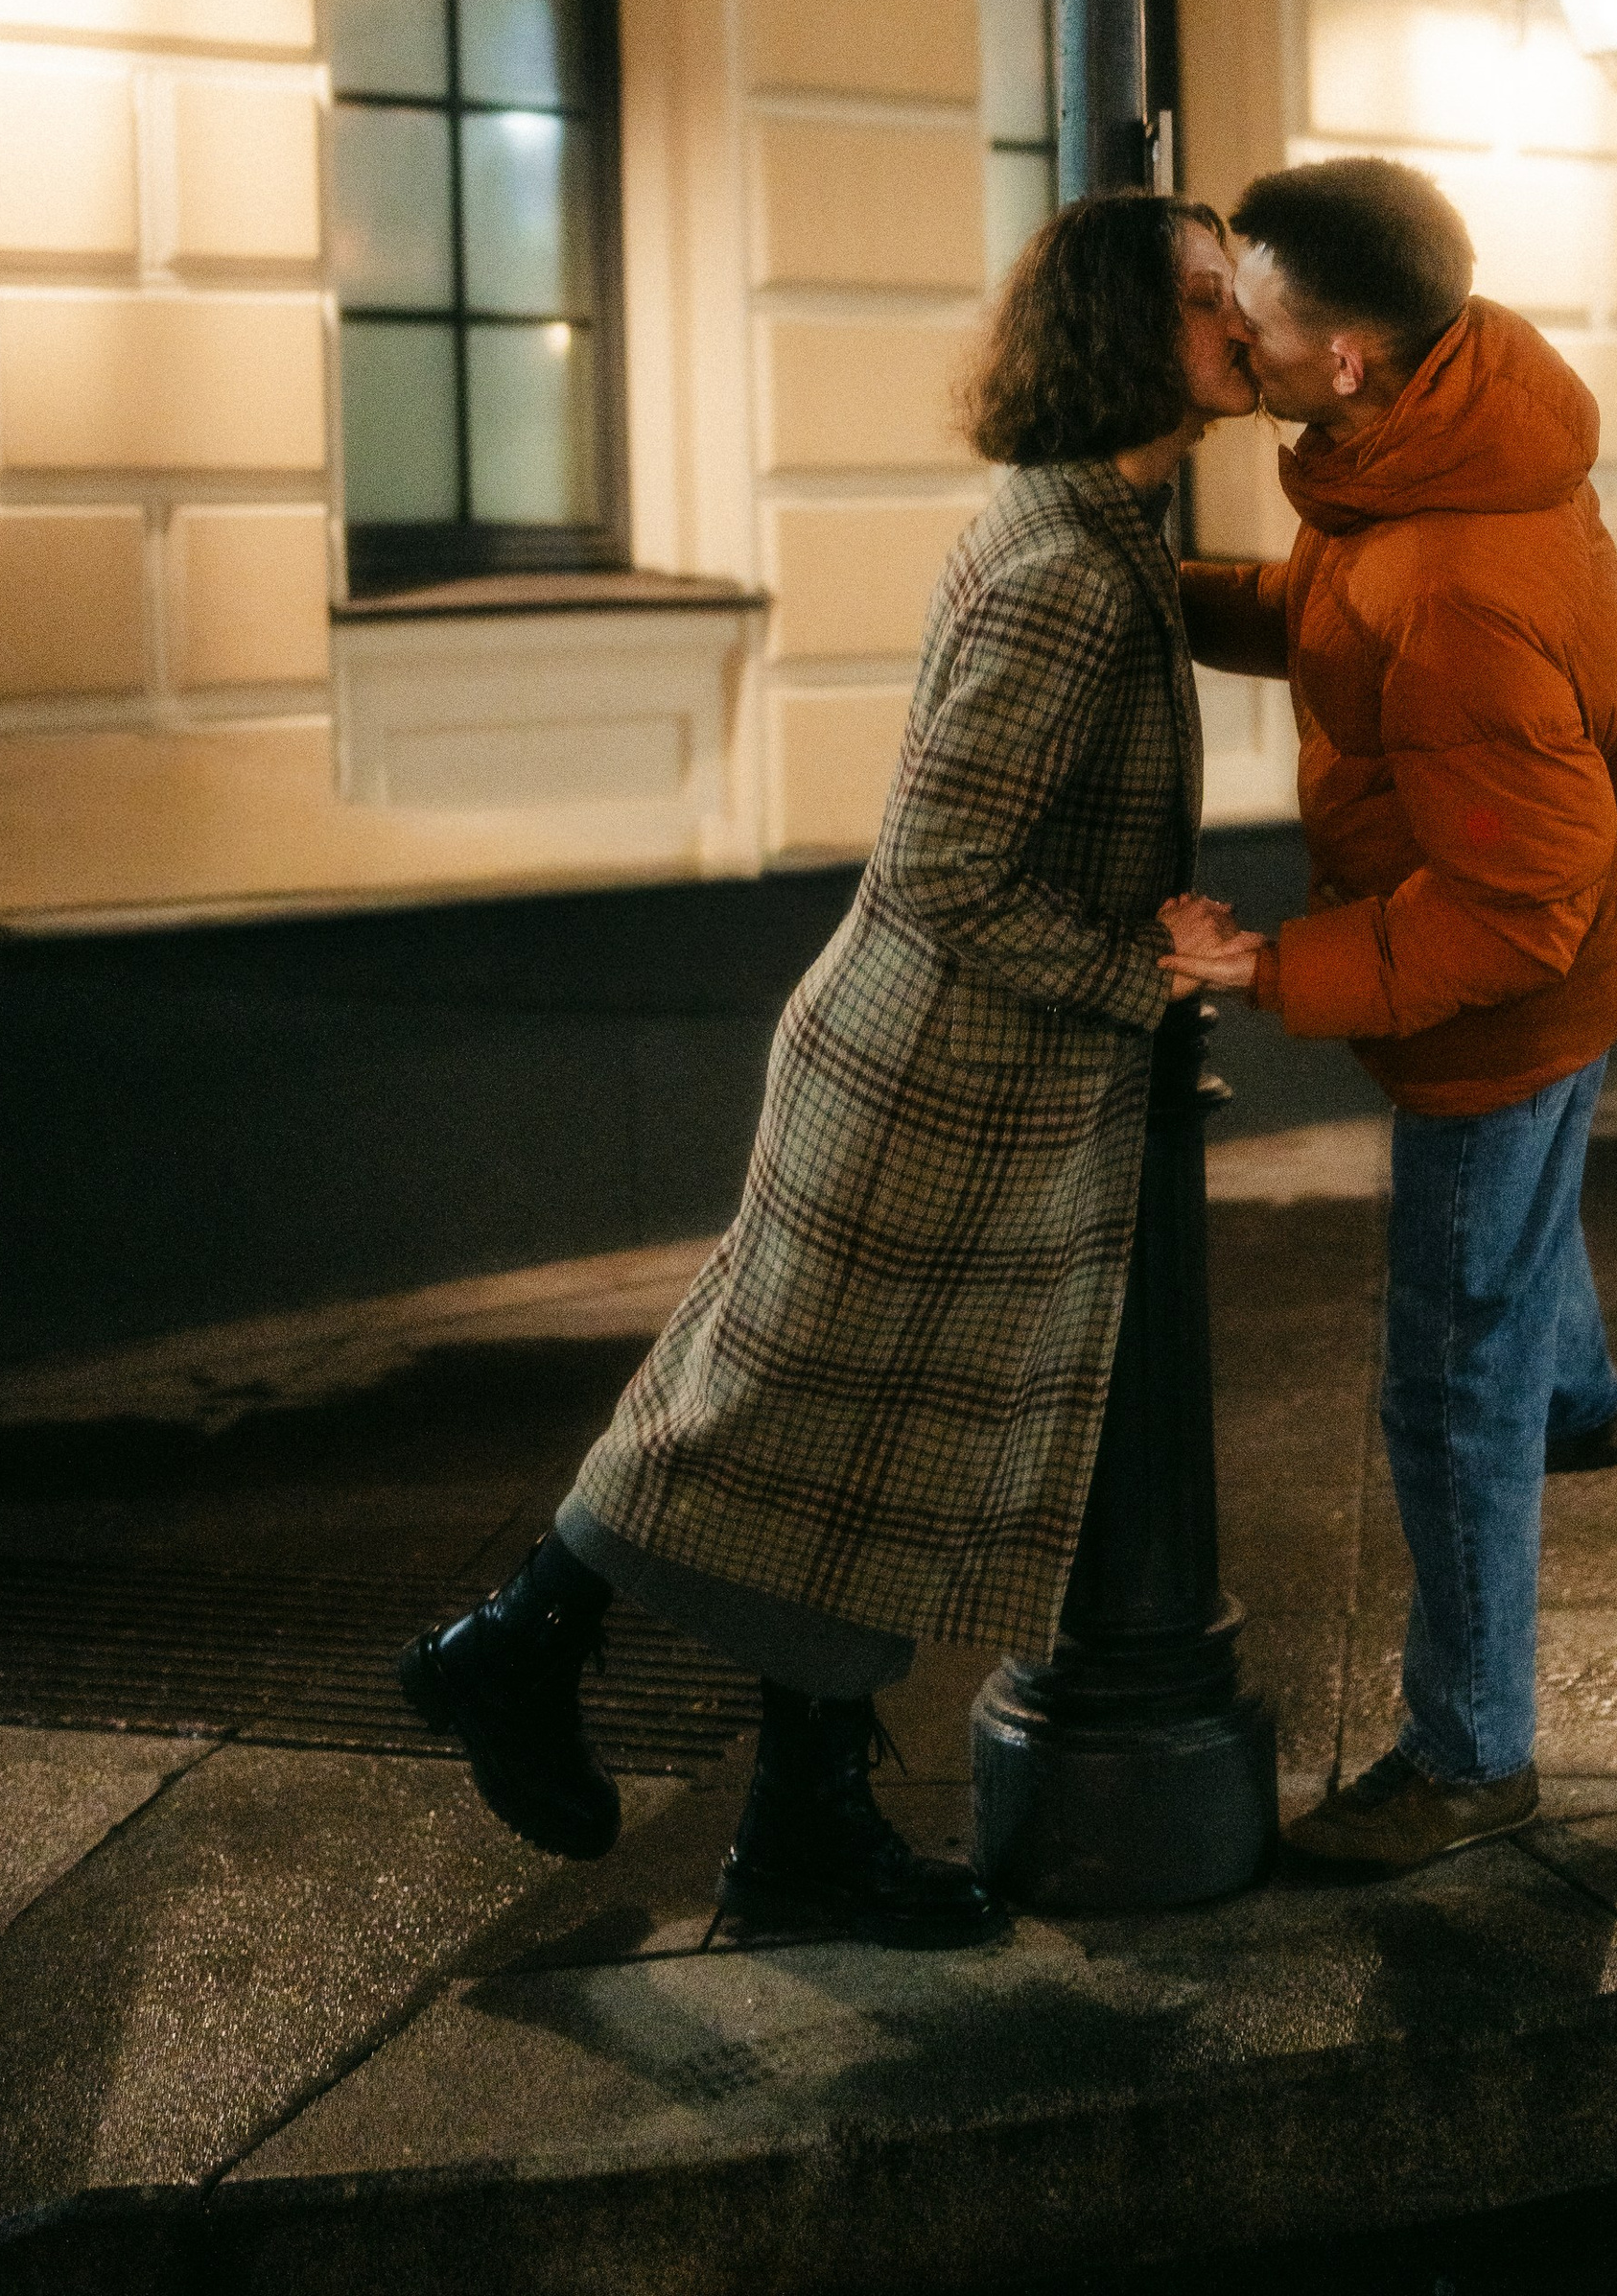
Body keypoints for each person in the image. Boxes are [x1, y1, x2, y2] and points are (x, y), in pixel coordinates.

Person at [400, 194, 1259, 1947]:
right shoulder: (1065, 570)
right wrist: (1137, 973)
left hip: (949, 1078)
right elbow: (943, 865)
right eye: (1199, 292)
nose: (1236, 314)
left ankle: (797, 1824)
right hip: (938, 1089)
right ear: (1117, 333)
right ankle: (512, 1655)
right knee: (769, 1424)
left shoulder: (1086, 525)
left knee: (853, 1467)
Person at [1171, 155, 1617, 1874]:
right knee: (1528, 1249)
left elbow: (1516, 894)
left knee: (1447, 1387)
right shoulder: (1451, 440)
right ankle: (1584, 1397)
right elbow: (1339, 617)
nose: (1229, 336)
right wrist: (1165, 595)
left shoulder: (1447, 566)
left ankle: (1470, 1757)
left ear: (1351, 358)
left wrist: (1277, 972)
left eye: (1253, 318)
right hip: (1582, 962)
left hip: (1506, 1004)